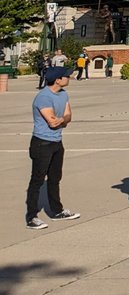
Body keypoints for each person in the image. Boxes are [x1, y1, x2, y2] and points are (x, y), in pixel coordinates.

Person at [26, 66, 80, 230]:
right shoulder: (43, 97)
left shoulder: (63, 94)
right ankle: (32, 217)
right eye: (66, 76)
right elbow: (52, 122)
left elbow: (68, 116)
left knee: (55, 178)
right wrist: (62, 120)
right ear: (57, 80)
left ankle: (57, 211)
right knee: (37, 180)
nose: (69, 78)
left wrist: (62, 119)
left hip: (57, 142)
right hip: (42, 143)